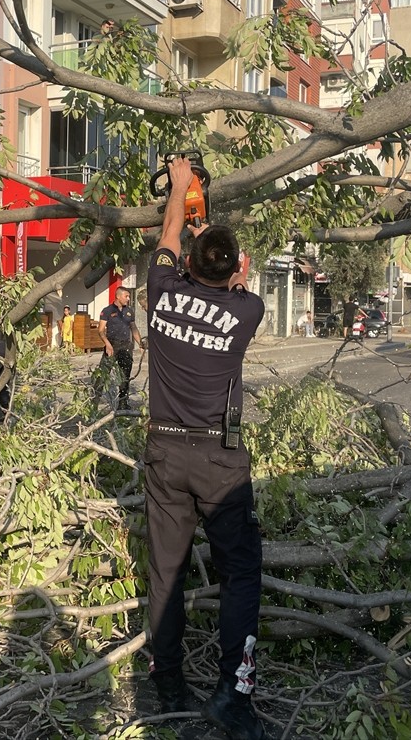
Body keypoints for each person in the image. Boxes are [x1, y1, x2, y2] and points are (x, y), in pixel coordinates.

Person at [143, 156, 266, 739]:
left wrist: (179, 187)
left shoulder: (161, 289)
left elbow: (170, 232)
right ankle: (232, 696)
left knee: (166, 572)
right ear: (237, 268)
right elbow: (228, 281)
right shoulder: (248, 309)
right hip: (220, 461)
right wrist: (229, 268)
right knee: (240, 573)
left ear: (186, 263)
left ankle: (168, 681)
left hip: (165, 454)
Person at [92, 288, 145, 410]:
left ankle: (123, 404)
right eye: (126, 296)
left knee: (125, 376)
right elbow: (101, 330)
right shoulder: (107, 311)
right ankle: (93, 403)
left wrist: (140, 343)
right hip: (111, 346)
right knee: (103, 375)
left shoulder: (129, 311)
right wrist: (107, 344)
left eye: (129, 296)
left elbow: (134, 328)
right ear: (118, 296)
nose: (128, 299)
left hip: (125, 347)